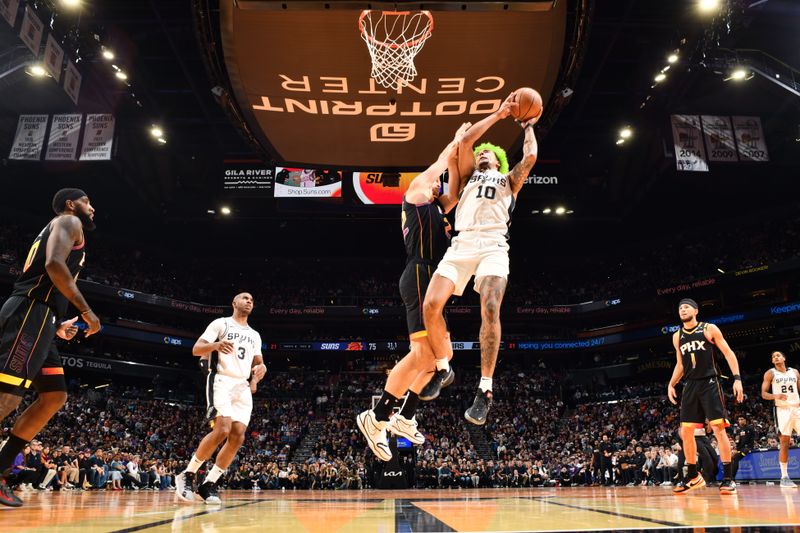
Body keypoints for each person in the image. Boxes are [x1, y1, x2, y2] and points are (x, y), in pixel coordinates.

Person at [422, 91, 541, 424]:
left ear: (499, 159)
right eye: (482, 151)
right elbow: (465, 143)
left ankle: (484, 388)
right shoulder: (465, 177)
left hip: (492, 244)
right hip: (461, 245)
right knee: (430, 306)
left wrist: (527, 125)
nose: (484, 152)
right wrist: (500, 115)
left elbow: (529, 157)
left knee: (490, 306)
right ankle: (444, 369)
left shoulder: (508, 180)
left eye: (490, 151)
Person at [356, 124, 467, 461]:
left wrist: (464, 158)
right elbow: (440, 164)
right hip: (420, 274)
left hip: (435, 279)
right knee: (422, 356)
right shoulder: (416, 194)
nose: (439, 183)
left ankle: (404, 416)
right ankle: (375, 418)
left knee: (440, 356)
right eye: (436, 181)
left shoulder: (435, 207)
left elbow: (456, 190)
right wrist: (458, 141)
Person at [0, 188, 101, 507]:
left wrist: (58, 323)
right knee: (6, 398)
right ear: (72, 204)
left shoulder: (66, 225)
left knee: (54, 395)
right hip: (29, 312)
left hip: (43, 317)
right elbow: (55, 265)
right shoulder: (70, 221)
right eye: (88, 201)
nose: (92, 207)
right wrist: (85, 310)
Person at [175, 292, 265, 504]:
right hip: (221, 380)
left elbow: (258, 362)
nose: (249, 301)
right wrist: (215, 346)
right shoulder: (221, 324)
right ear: (234, 303)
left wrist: (260, 371)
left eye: (252, 299)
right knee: (222, 429)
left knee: (238, 435)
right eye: (244, 298)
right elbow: (196, 349)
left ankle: (209, 484)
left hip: (242, 386)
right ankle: (187, 474)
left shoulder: (255, 335)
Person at [668, 298, 743, 494]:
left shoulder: (709, 328)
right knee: (686, 433)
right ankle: (694, 476)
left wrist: (737, 378)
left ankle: (728, 478)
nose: (682, 310)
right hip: (690, 384)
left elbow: (728, 352)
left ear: (696, 310)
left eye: (686, 307)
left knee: (718, 429)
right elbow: (681, 364)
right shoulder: (677, 336)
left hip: (709, 382)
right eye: (680, 307)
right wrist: (671, 383)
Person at [761, 350, 799, 488]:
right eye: (773, 357)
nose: (775, 357)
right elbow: (764, 394)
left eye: (778, 355)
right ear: (772, 361)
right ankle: (784, 477)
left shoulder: (795, 372)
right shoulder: (770, 373)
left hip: (797, 408)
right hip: (782, 410)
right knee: (784, 442)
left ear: (784, 358)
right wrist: (776, 395)